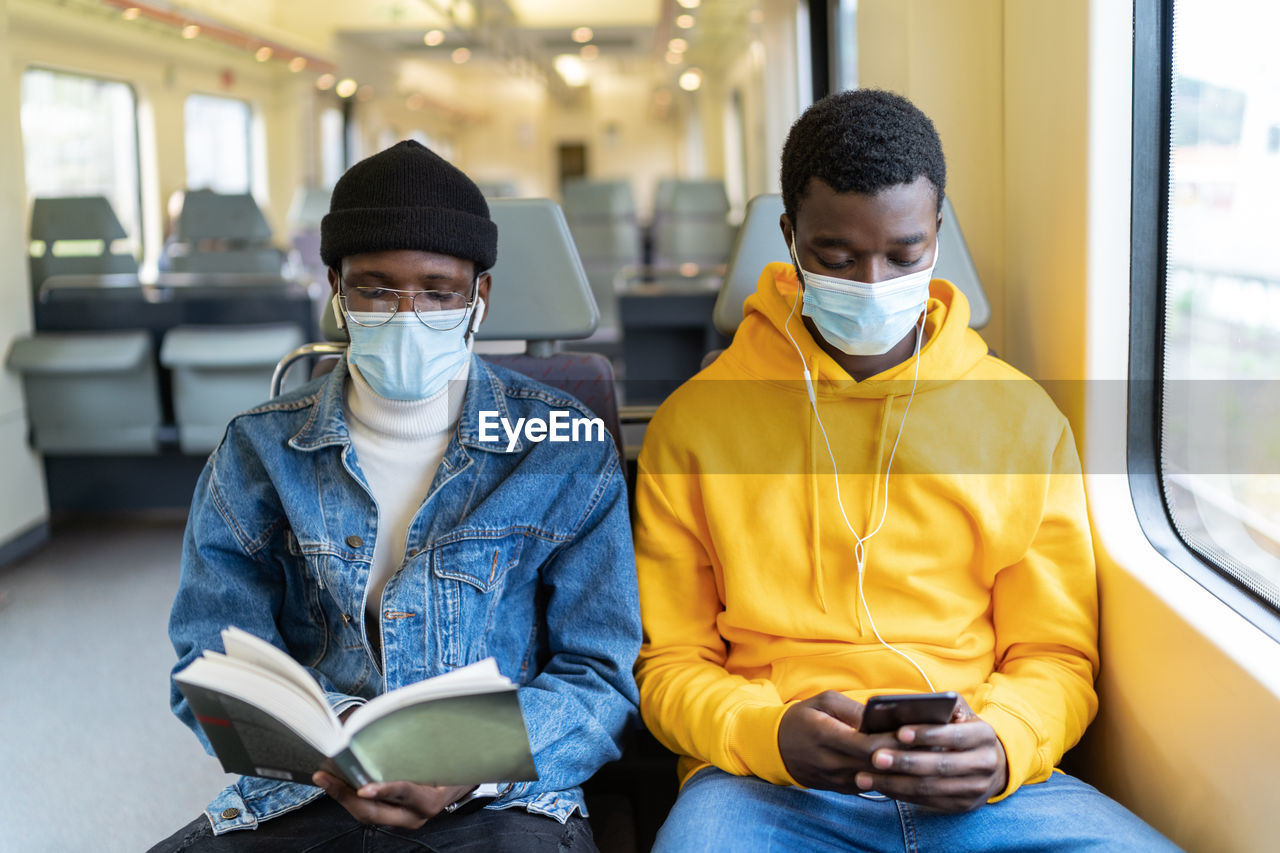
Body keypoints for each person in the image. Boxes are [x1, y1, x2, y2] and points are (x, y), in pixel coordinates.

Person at [632, 90, 1177, 851]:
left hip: (978, 779)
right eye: (837, 256)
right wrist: (768, 731)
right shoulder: (693, 425)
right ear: (790, 238)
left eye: (904, 253)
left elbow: (1053, 654)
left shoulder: (1020, 420)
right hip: (766, 781)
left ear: (938, 234)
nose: (874, 280)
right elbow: (670, 664)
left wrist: (1005, 742)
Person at [152, 140, 640, 852]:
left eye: (438, 291)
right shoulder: (257, 453)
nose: (408, 315)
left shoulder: (563, 449)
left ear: (481, 297)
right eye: (376, 289)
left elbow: (600, 679)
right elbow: (207, 659)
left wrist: (465, 761)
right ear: (336, 290)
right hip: (307, 796)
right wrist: (336, 738)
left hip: (501, 800)